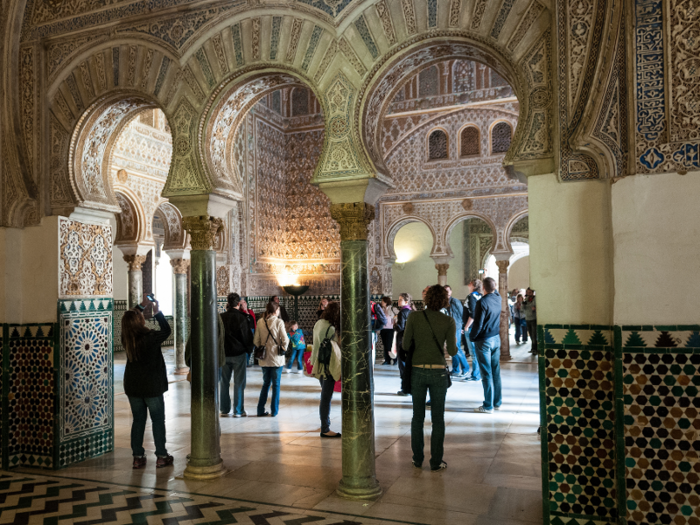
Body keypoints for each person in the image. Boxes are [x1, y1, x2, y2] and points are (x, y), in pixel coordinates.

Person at [403, 285, 457, 472]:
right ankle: (436, 462)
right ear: (444, 300)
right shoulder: (448, 321)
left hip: (417, 370)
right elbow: (452, 350)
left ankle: (417, 459)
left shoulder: (414, 317)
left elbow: (404, 344)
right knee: (438, 419)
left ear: (426, 299)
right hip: (438, 373)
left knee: (417, 417)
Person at [122, 294, 173, 469]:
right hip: (151, 386)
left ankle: (137, 457)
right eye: (141, 316)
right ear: (140, 321)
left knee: (138, 420)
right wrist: (157, 312)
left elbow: (131, 316)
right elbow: (167, 330)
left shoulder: (126, 337)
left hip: (133, 386)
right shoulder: (150, 337)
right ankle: (161, 456)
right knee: (158, 420)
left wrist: (141, 306)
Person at [470, 277, 502, 414]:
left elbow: (478, 324)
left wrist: (472, 337)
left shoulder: (482, 302)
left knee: (486, 372)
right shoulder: (498, 298)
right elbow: (496, 291)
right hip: (496, 338)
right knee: (496, 372)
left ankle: (488, 405)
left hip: (484, 340)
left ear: (483, 287)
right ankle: (497, 402)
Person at [219, 293, 254, 418]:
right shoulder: (242, 318)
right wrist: (249, 350)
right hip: (238, 354)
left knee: (224, 382)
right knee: (239, 383)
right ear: (238, 304)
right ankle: (238, 411)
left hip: (224, 354)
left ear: (227, 304)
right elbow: (247, 337)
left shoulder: (220, 317)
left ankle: (224, 409)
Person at [311, 301, 342, 438]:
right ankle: (325, 428)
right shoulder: (331, 328)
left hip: (317, 363)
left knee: (324, 394)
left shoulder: (319, 323)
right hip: (328, 366)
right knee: (326, 397)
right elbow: (338, 347)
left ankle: (324, 423)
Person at [254, 302, 289, 416]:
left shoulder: (260, 322)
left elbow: (256, 341)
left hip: (264, 358)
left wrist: (264, 346)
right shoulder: (279, 322)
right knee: (276, 385)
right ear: (276, 310)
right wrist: (282, 348)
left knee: (266, 384)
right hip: (276, 358)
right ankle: (274, 411)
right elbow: (285, 340)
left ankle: (260, 410)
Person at [461, 279, 483, 382]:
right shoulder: (480, 296)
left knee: (473, 353)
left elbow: (473, 313)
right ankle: (477, 373)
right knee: (477, 352)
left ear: (473, 285)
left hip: (471, 327)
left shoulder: (471, 297)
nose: (468, 283)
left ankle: (475, 375)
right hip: (478, 327)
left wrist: (466, 326)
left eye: (470, 282)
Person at [444, 285, 467, 378]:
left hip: (456, 326)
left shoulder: (455, 301)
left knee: (456, 348)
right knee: (452, 348)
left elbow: (462, 314)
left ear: (451, 292)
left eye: (447, 291)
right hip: (448, 327)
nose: (446, 293)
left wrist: (462, 326)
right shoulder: (443, 302)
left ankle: (465, 369)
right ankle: (456, 370)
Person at [394, 293, 413, 396]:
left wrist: (394, 325)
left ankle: (405, 388)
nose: (398, 301)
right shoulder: (411, 312)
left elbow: (400, 327)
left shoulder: (402, 312)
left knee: (402, 364)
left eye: (400, 299)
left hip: (402, 339)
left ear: (406, 301)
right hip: (410, 340)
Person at [380, 296, 396, 365]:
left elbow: (398, 315)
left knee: (390, 345)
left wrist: (394, 321)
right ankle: (387, 360)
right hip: (383, 329)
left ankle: (394, 359)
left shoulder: (392, 308)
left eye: (382, 301)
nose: (381, 302)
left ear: (386, 302)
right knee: (385, 345)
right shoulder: (382, 309)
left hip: (390, 329)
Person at [524, 288, 537, 355]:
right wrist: (523, 304)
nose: (529, 293)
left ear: (532, 292)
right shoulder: (526, 299)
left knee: (534, 334)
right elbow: (522, 309)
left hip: (533, 318)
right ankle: (533, 348)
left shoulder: (535, 299)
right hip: (527, 318)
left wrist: (535, 308)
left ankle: (535, 348)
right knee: (531, 334)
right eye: (527, 292)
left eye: (530, 292)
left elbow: (537, 307)